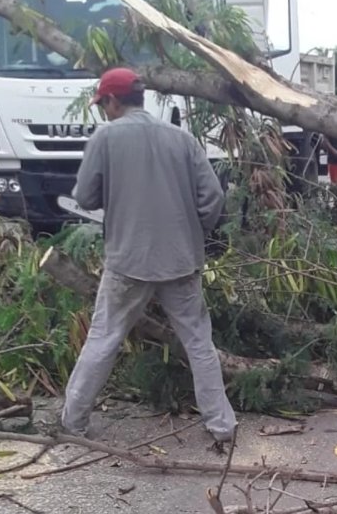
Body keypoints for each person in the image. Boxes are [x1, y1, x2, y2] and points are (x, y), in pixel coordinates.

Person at [60, 67, 237, 443]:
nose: (103, 111)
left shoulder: (105, 138)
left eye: (102, 104)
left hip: (128, 261)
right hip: (180, 259)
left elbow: (86, 197)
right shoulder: (182, 138)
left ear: (112, 100)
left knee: (104, 338)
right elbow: (214, 198)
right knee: (199, 343)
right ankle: (222, 426)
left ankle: (73, 423)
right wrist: (192, 232)